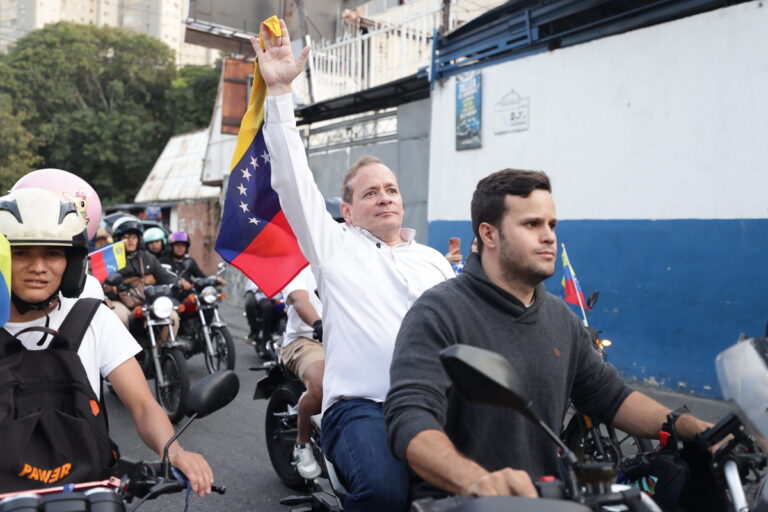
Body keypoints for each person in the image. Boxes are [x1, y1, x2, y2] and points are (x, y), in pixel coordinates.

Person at [384, 169, 713, 502]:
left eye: (551, 225)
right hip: (464, 504)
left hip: (546, 502)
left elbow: (611, 397)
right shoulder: (439, 312)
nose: (549, 237)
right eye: (532, 224)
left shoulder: (561, 319)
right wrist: (476, 480)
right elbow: (411, 415)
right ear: (489, 234)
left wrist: (687, 425)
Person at [256, 20, 455, 511]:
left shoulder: (432, 261)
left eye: (391, 189)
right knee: (385, 494)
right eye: (370, 193)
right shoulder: (336, 248)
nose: (384, 198)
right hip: (362, 408)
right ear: (347, 211)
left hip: (434, 406)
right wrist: (279, 94)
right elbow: (292, 182)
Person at [0, 188, 214, 496]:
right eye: (21, 253)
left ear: (72, 262)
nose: (38, 267)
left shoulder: (93, 318)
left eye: (53, 253)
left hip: (88, 490)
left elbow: (143, 405)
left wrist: (173, 450)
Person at [280, 266, 324, 479]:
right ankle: (302, 443)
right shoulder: (297, 267)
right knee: (321, 385)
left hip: (346, 338)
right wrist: (319, 324)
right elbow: (299, 300)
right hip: (306, 340)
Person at [106, 217, 180, 329]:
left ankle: (161, 341)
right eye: (126, 237)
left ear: (139, 239)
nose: (130, 240)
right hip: (119, 301)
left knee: (172, 316)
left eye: (134, 237)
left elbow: (163, 275)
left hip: (145, 301)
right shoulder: (109, 258)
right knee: (119, 317)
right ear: (118, 239)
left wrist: (179, 282)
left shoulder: (147, 257)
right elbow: (99, 282)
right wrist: (105, 293)